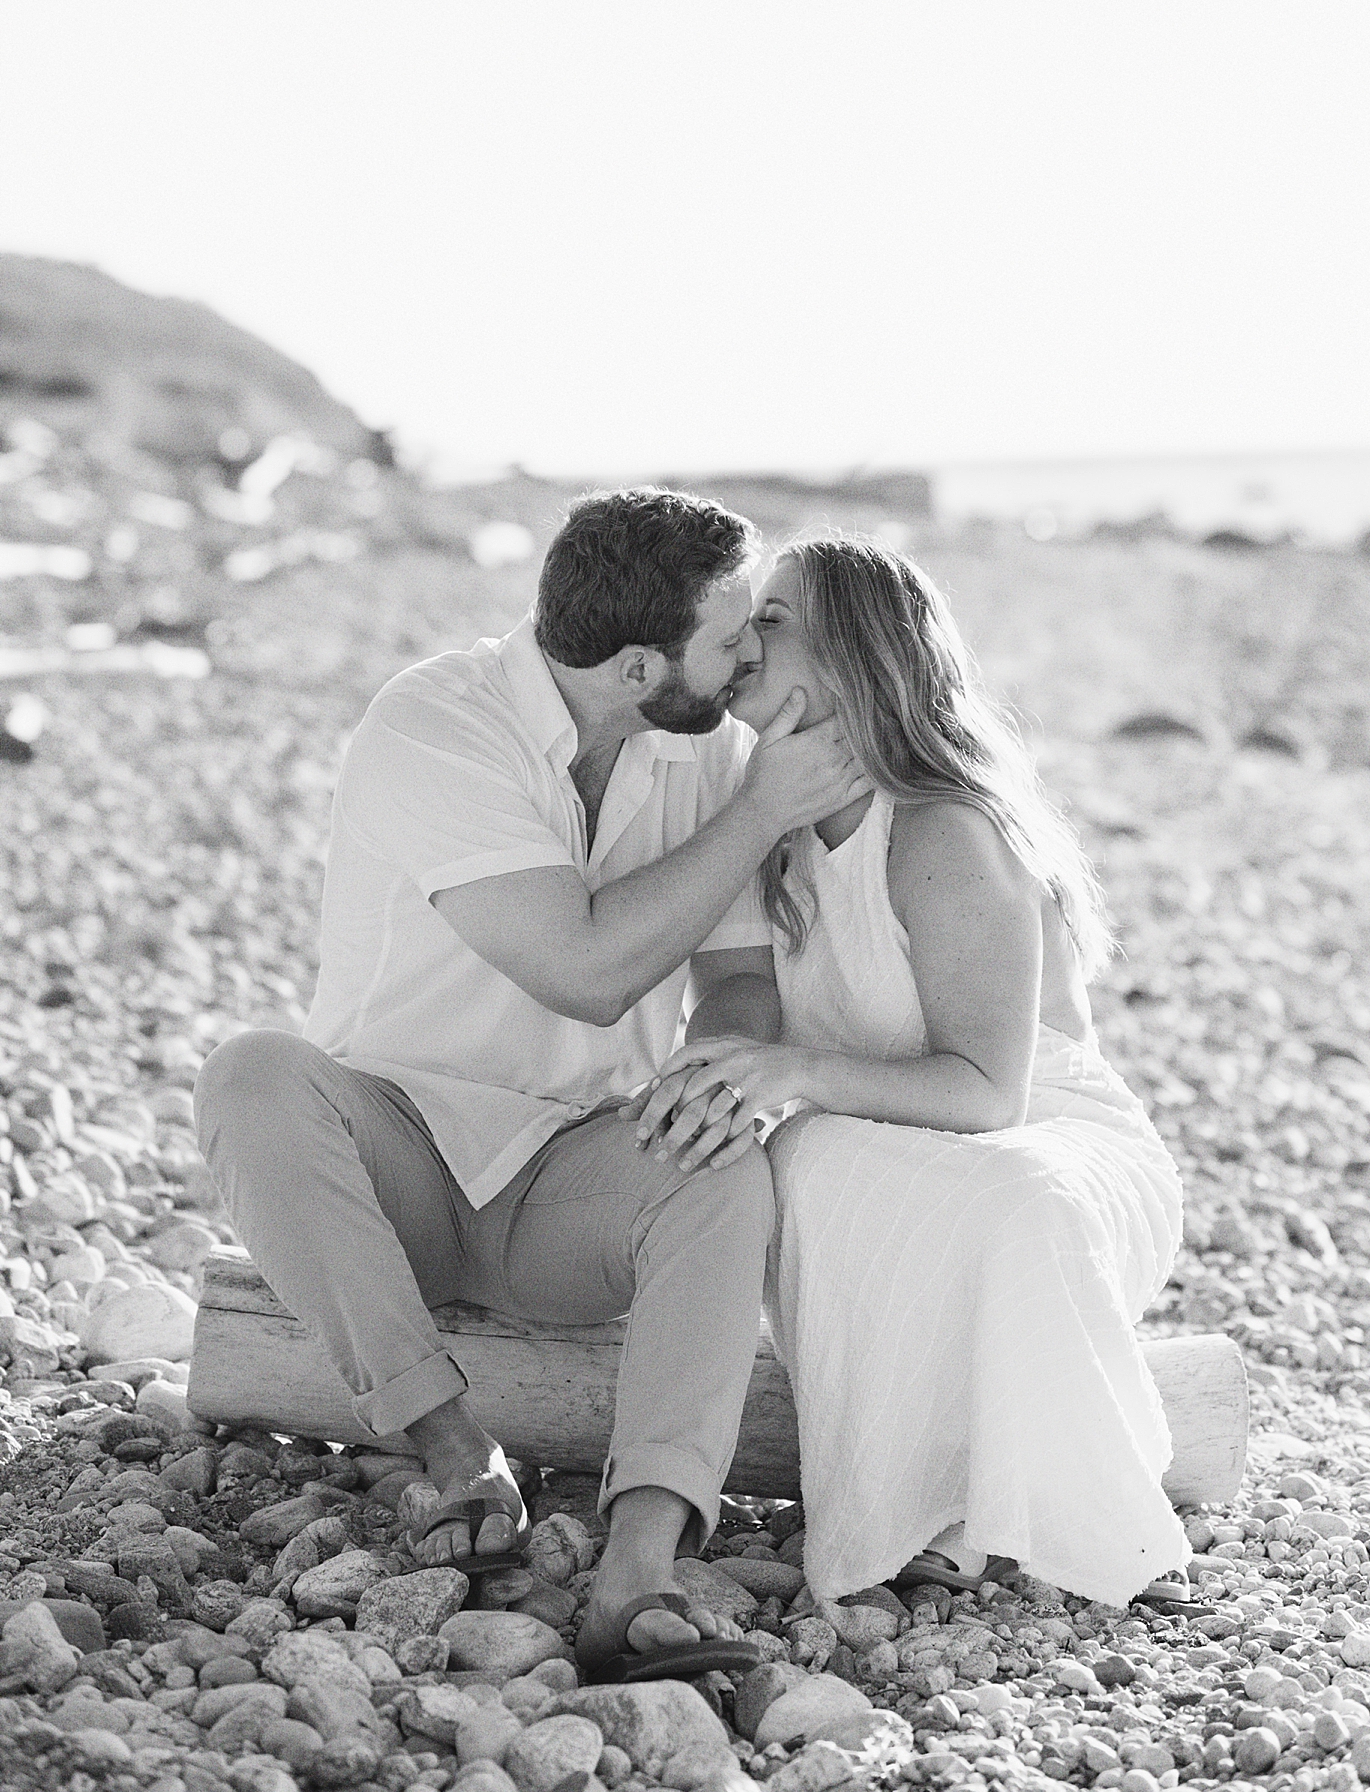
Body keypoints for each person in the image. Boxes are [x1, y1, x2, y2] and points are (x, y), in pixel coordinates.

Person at [193, 488, 868, 1679]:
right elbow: (586, 973)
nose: (753, 655)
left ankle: (638, 1574)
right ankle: (458, 1457)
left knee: (723, 1165)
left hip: (569, 1170)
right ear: (639, 663)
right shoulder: (433, 725)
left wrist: (722, 1074)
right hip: (393, 1157)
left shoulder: (704, 749)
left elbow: (739, 981)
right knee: (251, 1074)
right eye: (731, 641)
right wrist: (765, 806)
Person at [631, 533, 1191, 1609]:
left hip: (1038, 1136)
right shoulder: (755, 814)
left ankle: (1016, 1513)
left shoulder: (945, 828)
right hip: (866, 1120)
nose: (746, 641)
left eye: (777, 621)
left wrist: (789, 1069)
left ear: (853, 657)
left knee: (1013, 1199)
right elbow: (736, 995)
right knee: (801, 1163)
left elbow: (987, 1094)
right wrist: (722, 1078)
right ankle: (931, 1499)